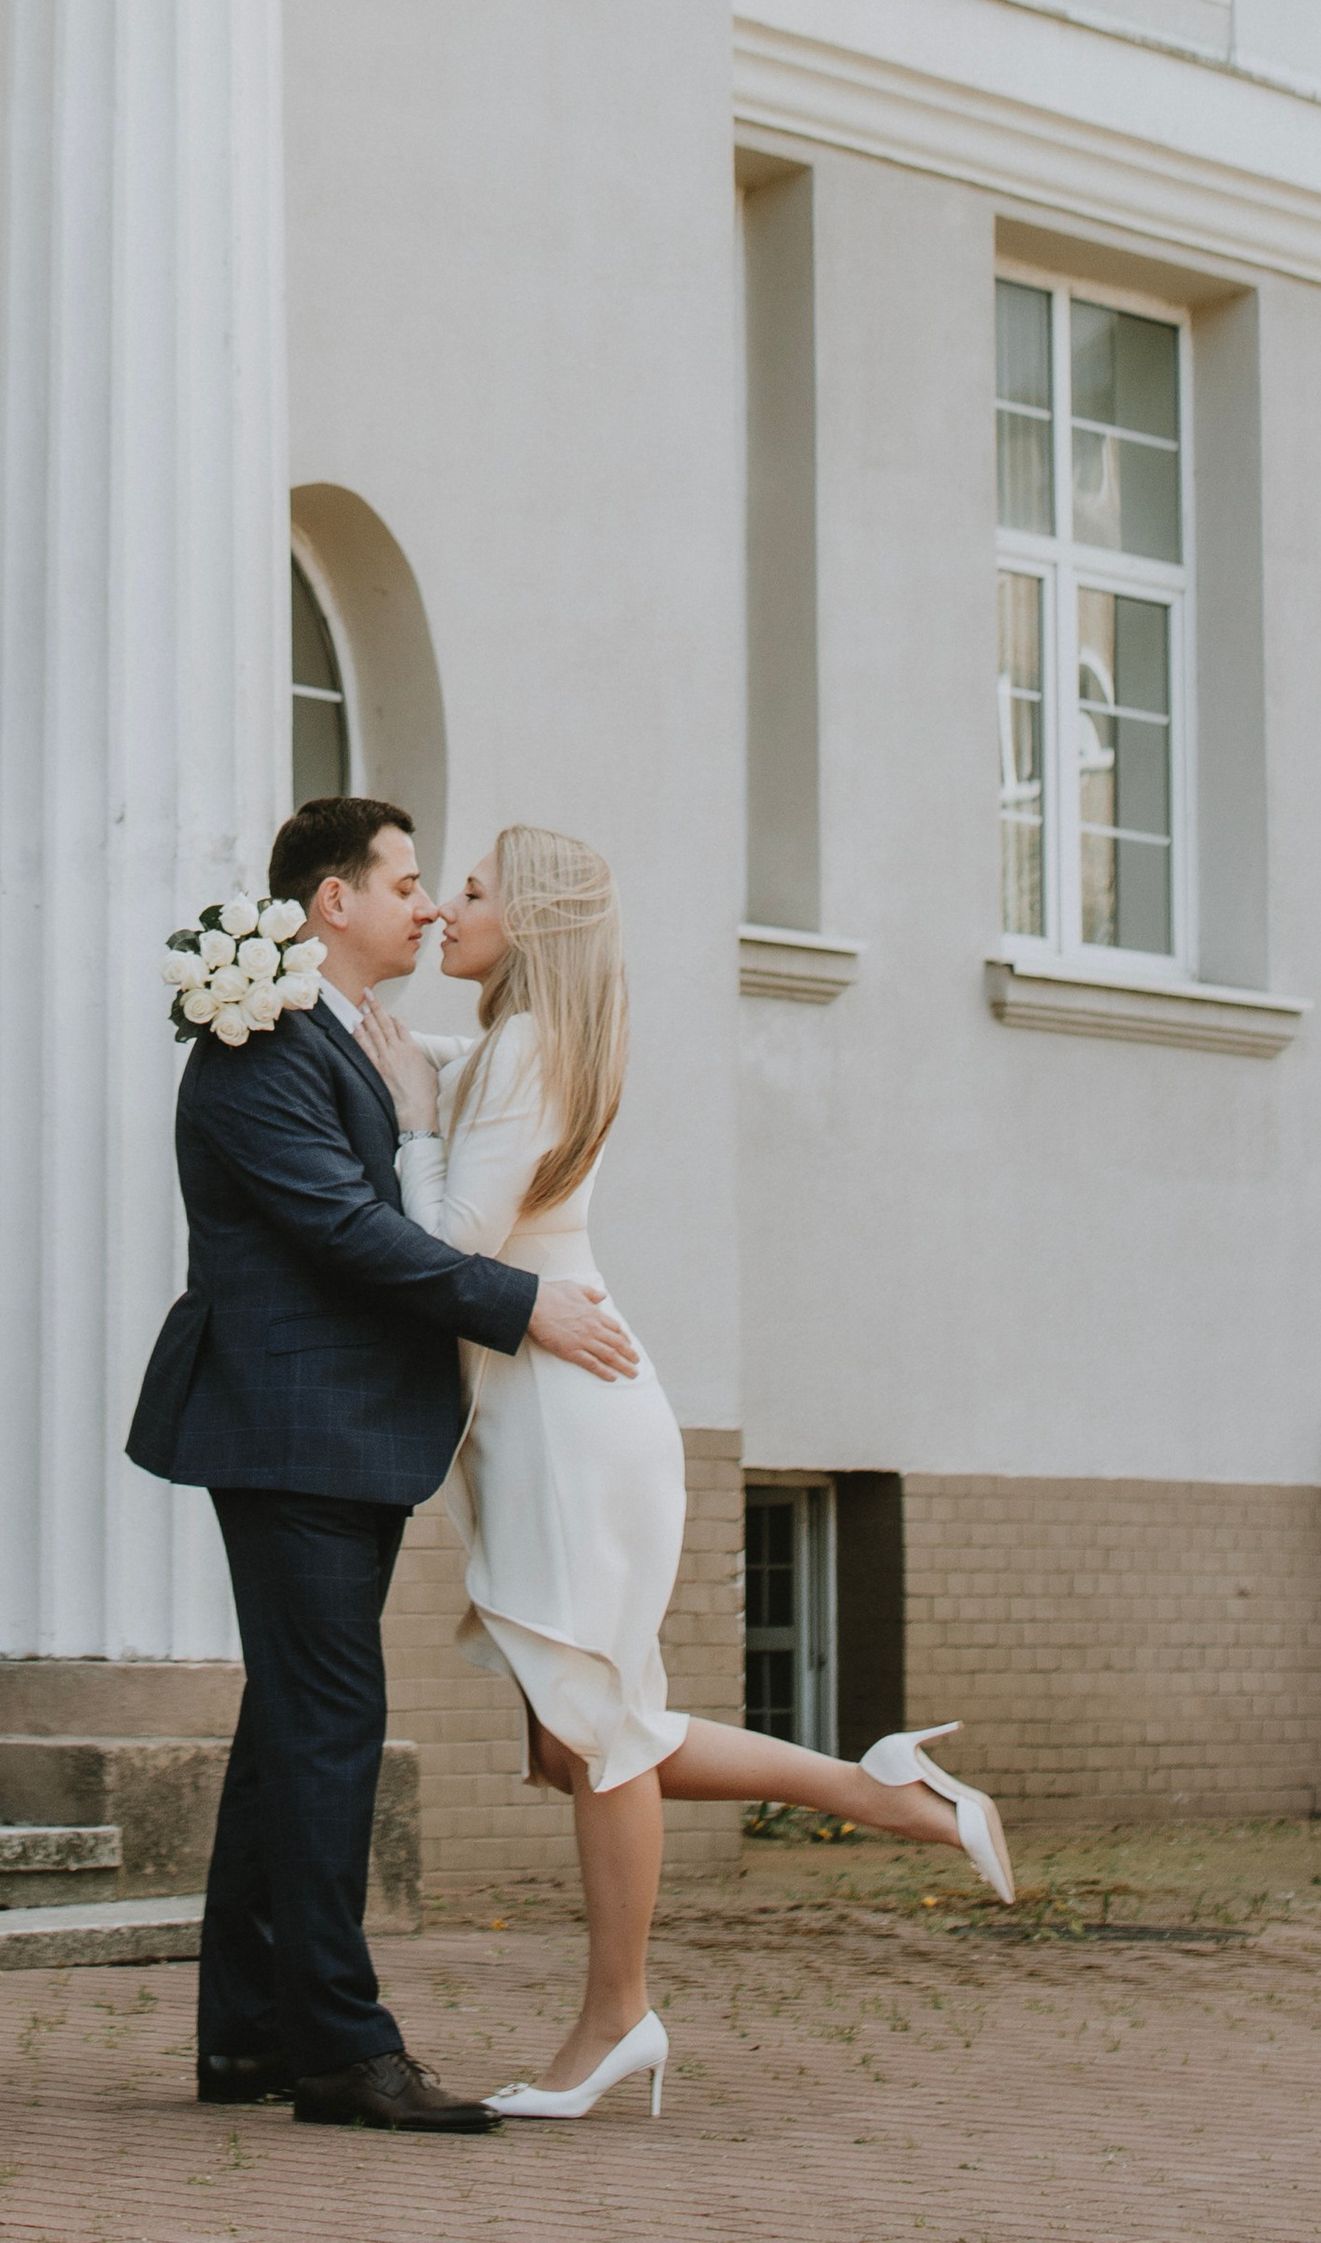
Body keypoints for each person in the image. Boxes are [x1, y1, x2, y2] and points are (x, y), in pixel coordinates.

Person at [357, 824, 1016, 2125]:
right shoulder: (521, 1044)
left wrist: (420, 1126)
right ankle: (875, 1787)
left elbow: (452, 1243)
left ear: (529, 925)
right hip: (564, 1424)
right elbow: (444, 1079)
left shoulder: (532, 1052)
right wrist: (390, 1060)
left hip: (571, 1432)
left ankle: (616, 2021)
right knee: (584, 1744)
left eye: (473, 893)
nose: (445, 914)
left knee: (595, 1741)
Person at [126, 795, 641, 2134]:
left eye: (434, 886)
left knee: (287, 1736)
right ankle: (344, 2051)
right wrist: (520, 1306)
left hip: (344, 1437)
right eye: (406, 882)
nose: (425, 906)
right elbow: (348, 1232)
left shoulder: (370, 1040)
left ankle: (248, 2034)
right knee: (331, 1727)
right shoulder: (259, 1051)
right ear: (330, 905)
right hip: (289, 1427)